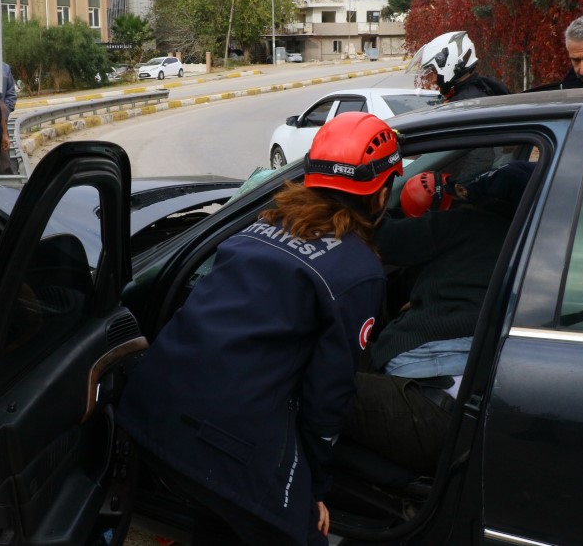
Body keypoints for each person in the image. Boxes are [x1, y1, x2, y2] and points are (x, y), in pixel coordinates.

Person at [116, 112, 405, 545]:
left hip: (149, 413)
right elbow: (329, 394)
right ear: (380, 193)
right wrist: (315, 489)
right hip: (225, 441)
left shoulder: (260, 227)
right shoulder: (358, 271)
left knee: (220, 518)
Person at [343, 161, 533, 476]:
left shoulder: (466, 223)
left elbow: (380, 238)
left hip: (426, 397)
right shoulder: (534, 242)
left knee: (304, 377)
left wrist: (367, 201)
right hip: (473, 406)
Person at [410, 31, 510, 102]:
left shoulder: (465, 103)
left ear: (449, 63)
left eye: (434, 71)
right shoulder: (485, 86)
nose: (433, 80)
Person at [0, 62, 18, 174]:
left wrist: (4, 114)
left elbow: (11, 94)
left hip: (1, 125)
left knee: (3, 163)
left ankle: (7, 187)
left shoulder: (5, 68)